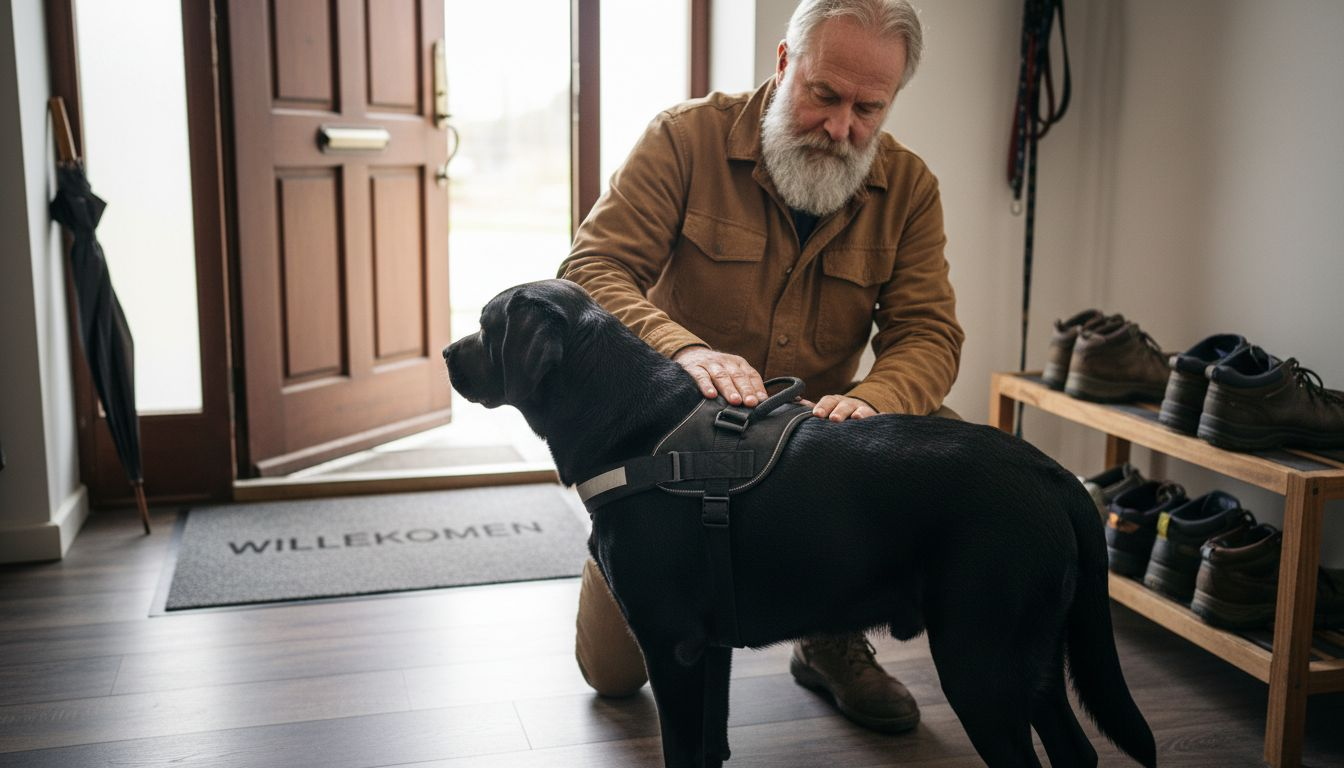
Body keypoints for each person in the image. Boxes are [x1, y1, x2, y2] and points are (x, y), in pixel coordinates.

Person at [557, 0, 963, 734]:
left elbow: (928, 333)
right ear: (784, 64)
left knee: (944, 440)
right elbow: (592, 269)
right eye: (824, 94)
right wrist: (684, 349)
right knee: (612, 676)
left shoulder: (910, 188)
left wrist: (876, 401)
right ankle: (628, 552)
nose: (840, 127)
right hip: (675, 442)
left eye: (868, 109)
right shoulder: (683, 139)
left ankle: (831, 634)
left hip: (816, 447)